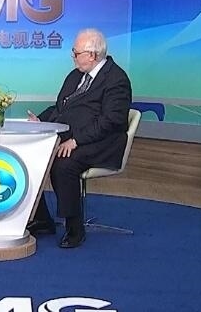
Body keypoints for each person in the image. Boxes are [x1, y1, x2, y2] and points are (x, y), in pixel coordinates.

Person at [26, 28, 132, 248]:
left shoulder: (116, 79)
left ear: (92, 55)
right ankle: (41, 218)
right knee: (31, 154)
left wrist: (76, 141)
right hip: (72, 136)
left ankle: (74, 229)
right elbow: (60, 108)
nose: (73, 57)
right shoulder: (76, 76)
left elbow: (110, 121)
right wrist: (41, 121)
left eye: (76, 53)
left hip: (102, 142)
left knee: (64, 163)